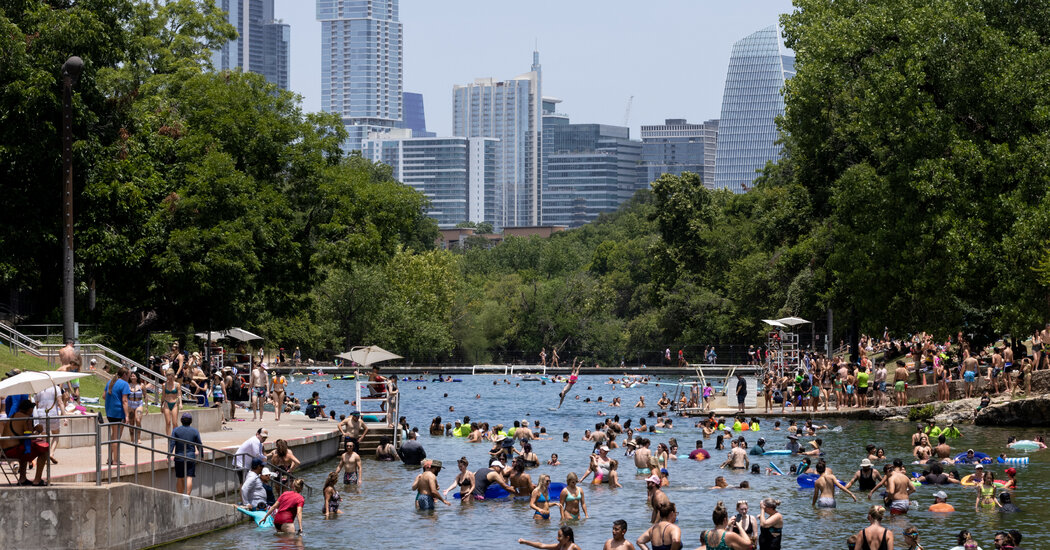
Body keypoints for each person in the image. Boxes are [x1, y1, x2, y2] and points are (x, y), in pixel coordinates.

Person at [1, 399, 51, 485]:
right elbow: (30, 437)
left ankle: (22, 478)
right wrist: (38, 431)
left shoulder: (13, 416)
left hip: (4, 451)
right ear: (29, 409)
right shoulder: (26, 418)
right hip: (13, 451)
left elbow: (23, 433)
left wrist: (34, 429)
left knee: (24, 448)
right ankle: (37, 480)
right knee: (44, 450)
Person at [104, 366, 131, 466]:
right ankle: (115, 460)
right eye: (128, 374)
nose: (129, 376)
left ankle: (109, 457)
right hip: (118, 413)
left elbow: (104, 396)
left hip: (109, 412)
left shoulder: (110, 382)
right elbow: (124, 400)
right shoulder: (124, 384)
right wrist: (127, 416)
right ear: (124, 375)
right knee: (116, 437)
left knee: (114, 435)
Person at [169, 412, 202, 495]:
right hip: (190, 457)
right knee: (189, 477)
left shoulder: (176, 430)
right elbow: (199, 444)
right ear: (191, 421)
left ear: (181, 420)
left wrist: (168, 455)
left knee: (180, 477)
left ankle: (180, 495)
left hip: (179, 457)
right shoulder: (195, 431)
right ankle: (187, 496)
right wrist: (201, 455)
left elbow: (172, 443)